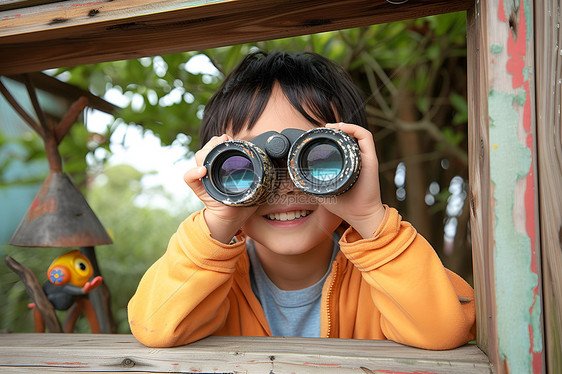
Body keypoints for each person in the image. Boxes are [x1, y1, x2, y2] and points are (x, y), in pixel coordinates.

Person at [128, 50, 476, 350]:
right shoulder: (210, 281)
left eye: (316, 158)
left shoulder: (382, 280)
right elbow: (155, 327)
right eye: (247, 165)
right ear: (215, 171)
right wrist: (217, 223)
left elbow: (445, 327)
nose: (286, 185)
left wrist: (370, 218)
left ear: (354, 163)